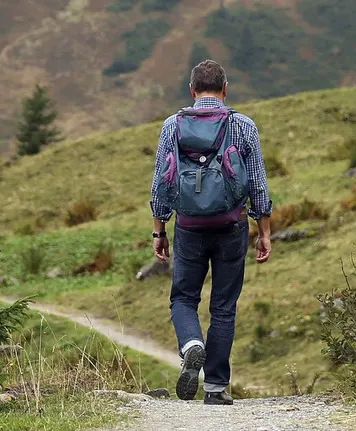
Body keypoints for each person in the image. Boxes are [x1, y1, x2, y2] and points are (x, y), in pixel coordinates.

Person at [149, 59, 273, 405]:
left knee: (183, 298)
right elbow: (259, 185)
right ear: (225, 88)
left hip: (188, 226)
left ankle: (192, 344)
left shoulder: (172, 126)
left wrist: (159, 230)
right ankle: (216, 387)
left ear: (191, 91)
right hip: (231, 225)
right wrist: (264, 230)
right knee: (223, 306)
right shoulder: (243, 126)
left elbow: (160, 183)